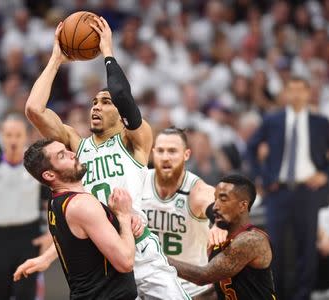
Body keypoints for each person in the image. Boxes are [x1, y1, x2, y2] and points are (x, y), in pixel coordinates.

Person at [18, 18, 189, 299]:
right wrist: (56, 58)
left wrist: (108, 49)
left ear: (121, 114)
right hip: (103, 255)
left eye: (105, 102)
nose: (96, 106)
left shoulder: (136, 139)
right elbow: (34, 110)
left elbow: (121, 93)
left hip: (140, 249)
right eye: (94, 102)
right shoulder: (75, 146)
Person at [247, 77, 329, 300]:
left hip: (307, 191)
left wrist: (325, 175)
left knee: (307, 247)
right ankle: (277, 295)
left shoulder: (320, 122)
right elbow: (251, 148)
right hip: (278, 191)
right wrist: (262, 176)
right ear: (285, 94)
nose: (296, 95)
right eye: (292, 90)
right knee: (275, 248)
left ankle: (303, 296)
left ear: (308, 93)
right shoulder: (273, 120)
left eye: (301, 90)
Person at [14, 139, 138, 299]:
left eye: (66, 150)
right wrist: (123, 216)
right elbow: (125, 262)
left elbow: (72, 240)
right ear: (49, 174)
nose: (73, 154)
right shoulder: (82, 205)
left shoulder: (55, 202)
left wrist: (46, 257)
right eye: (62, 155)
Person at [0, 115, 52, 300]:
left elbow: (51, 202)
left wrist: (50, 233)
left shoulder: (37, 169)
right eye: (8, 135)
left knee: (25, 293)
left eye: (17, 135)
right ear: (1, 137)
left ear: (26, 137)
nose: (13, 140)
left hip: (28, 238)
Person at [141, 127, 228, 299]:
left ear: (186, 155)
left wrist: (219, 223)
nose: (165, 157)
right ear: (153, 153)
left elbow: (219, 207)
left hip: (190, 286)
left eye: (172, 151)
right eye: (160, 151)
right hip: (148, 283)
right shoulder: (140, 180)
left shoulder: (197, 189)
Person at [167, 174, 277, 300]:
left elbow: (203, 276)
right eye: (215, 199)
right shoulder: (222, 239)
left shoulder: (251, 240)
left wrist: (160, 257)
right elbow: (219, 290)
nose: (215, 206)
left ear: (243, 206)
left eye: (223, 199)